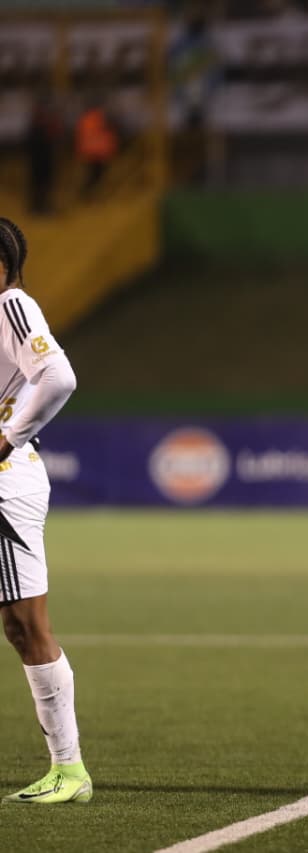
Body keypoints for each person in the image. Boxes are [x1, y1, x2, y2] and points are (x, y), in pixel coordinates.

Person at [0, 217, 89, 803]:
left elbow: (58, 376)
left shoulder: (10, 304)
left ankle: (69, 770)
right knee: (19, 627)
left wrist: (7, 439)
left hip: (4, 487)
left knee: (27, 627)